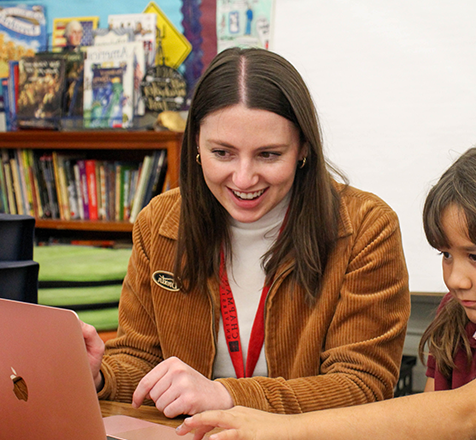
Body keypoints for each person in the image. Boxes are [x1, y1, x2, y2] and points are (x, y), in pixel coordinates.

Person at [177, 139, 476, 440]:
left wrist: (284, 429)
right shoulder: (461, 316)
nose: (455, 278)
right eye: (446, 255)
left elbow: (463, 417)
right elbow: (429, 420)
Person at [80, 47, 411, 418]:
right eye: (222, 153)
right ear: (196, 146)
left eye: (269, 155)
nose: (243, 178)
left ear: (303, 148)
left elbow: (361, 385)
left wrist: (226, 395)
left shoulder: (367, 225)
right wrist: (96, 376)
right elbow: (142, 362)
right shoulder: (159, 222)